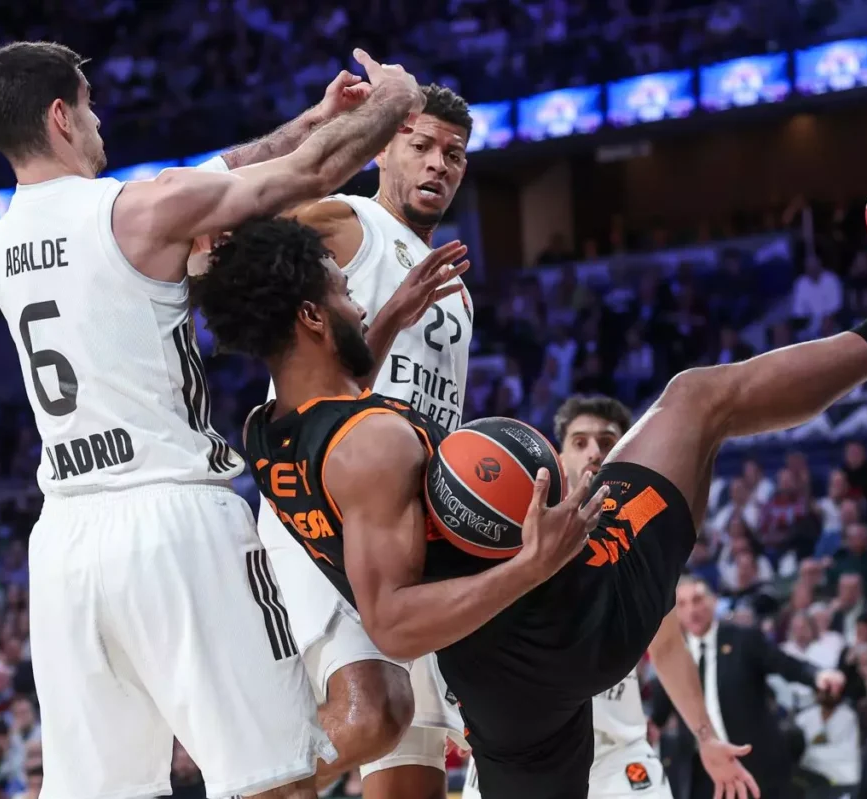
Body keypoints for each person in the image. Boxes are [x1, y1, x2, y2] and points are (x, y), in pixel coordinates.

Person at [193, 192, 867, 799]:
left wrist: (390, 318)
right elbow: (391, 623)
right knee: (698, 401)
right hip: (560, 615)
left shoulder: (268, 430)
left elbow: (342, 398)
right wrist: (533, 563)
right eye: (347, 295)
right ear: (313, 316)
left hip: (496, 691)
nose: (361, 303)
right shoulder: (373, 445)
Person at [0, 40, 427, 799]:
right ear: (60, 115)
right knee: (275, 776)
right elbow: (307, 176)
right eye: (88, 106)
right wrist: (394, 99)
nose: (98, 122)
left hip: (64, 544)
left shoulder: (4, 242)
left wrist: (312, 117)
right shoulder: (133, 211)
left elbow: (216, 175)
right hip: (173, 517)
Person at [253, 84, 476, 797]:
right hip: (329, 509)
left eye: (454, 154)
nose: (439, 164)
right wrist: (327, 126)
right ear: (383, 147)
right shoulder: (349, 223)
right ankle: (241, 782)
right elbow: (247, 234)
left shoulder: (458, 286)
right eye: (421, 145)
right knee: (371, 712)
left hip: (410, 530)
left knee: (410, 775)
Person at [462, 395, 673, 799]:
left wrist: (706, 734)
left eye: (608, 442)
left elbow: (668, 645)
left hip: (615, 756)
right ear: (557, 455)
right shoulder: (509, 526)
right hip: (513, 752)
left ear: (626, 451)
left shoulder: (638, 532)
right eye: (580, 442)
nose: (594, 452)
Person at [655, 577, 843, 799]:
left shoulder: (743, 639)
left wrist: (817, 675)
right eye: (682, 604)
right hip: (703, 772)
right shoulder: (673, 657)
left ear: (713, 601)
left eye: (697, 600)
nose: (692, 610)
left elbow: (783, 663)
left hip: (755, 762)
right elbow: (660, 711)